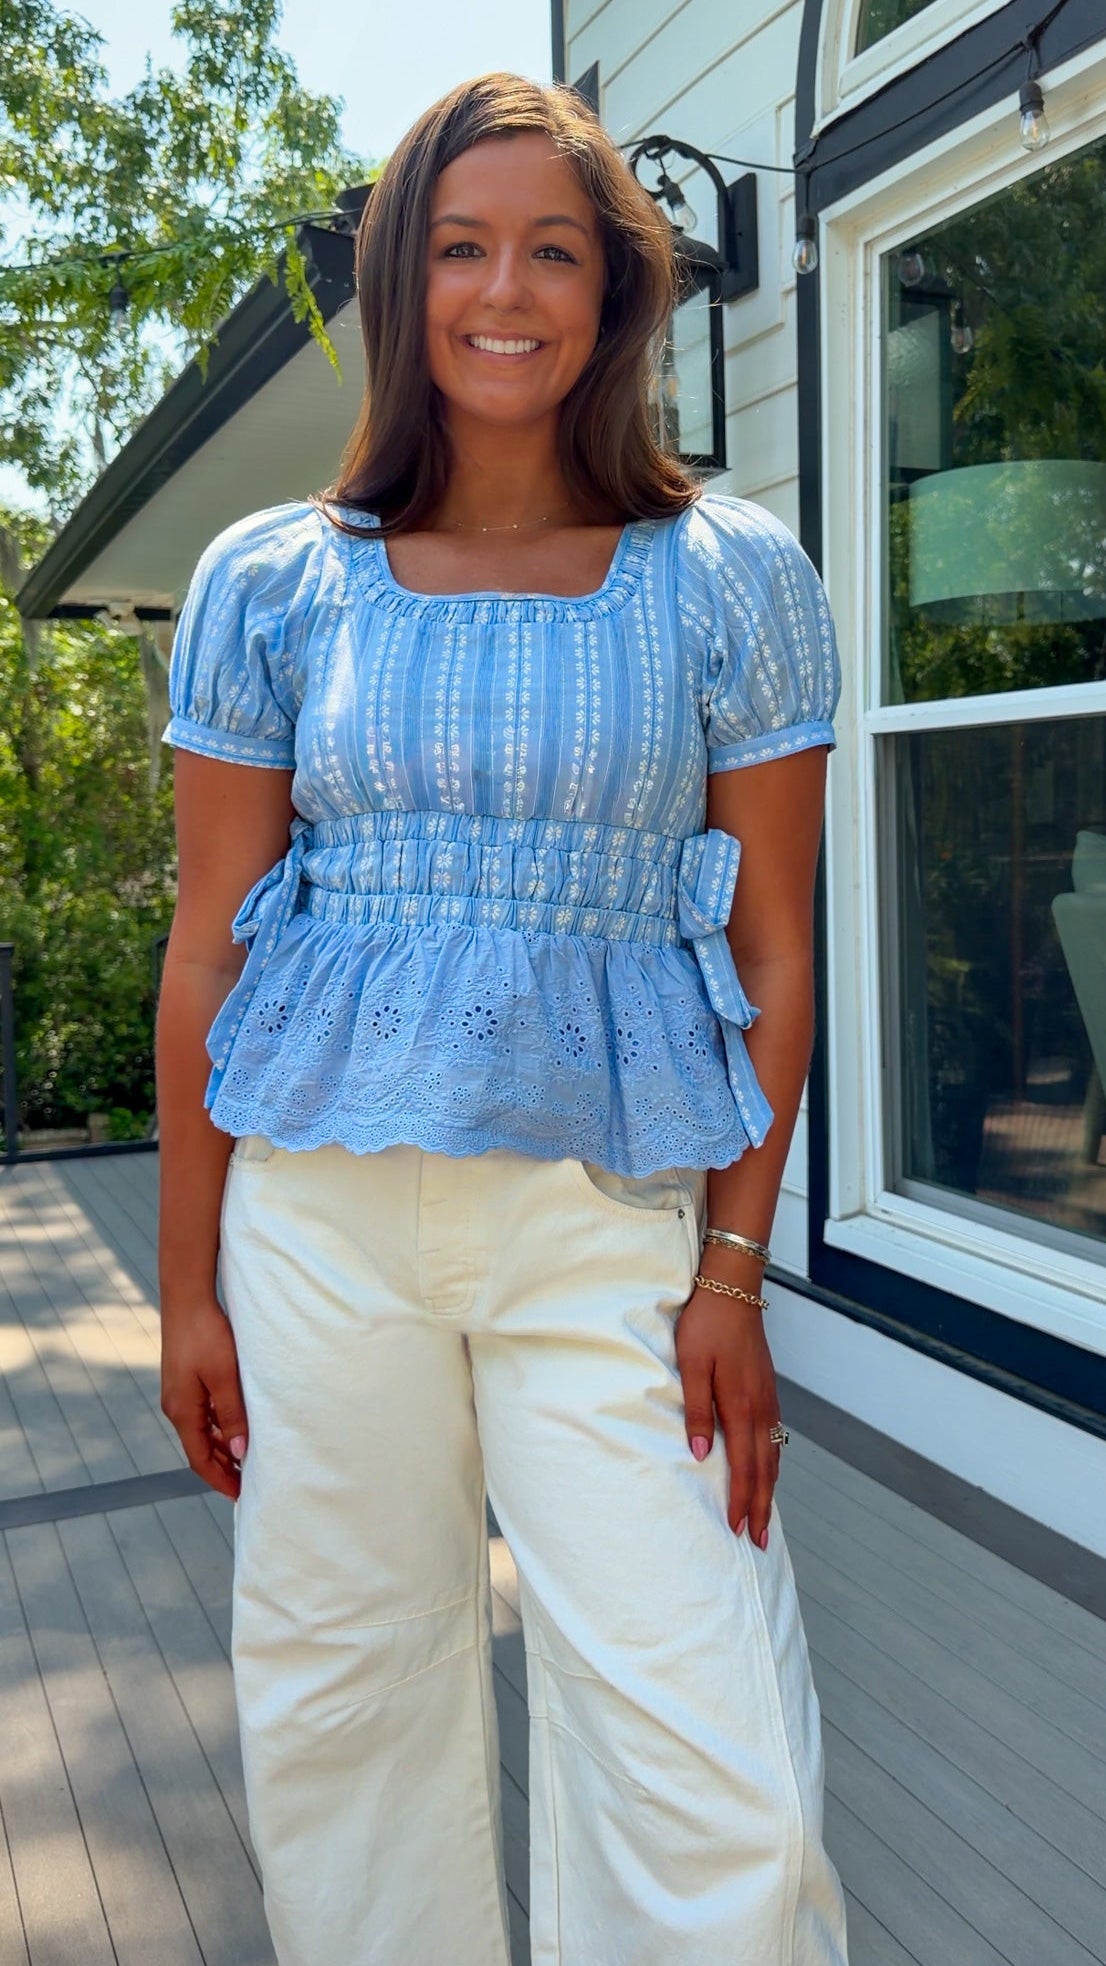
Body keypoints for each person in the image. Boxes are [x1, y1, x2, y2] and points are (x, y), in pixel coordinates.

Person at [157, 70, 849, 1966]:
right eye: (458, 247)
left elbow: (778, 950)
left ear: (616, 292)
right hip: (317, 1215)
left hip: (610, 1221)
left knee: (716, 1759)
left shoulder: (731, 579)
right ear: (400, 284)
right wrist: (189, 1283)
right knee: (340, 1718)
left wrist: (730, 1272)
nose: (505, 290)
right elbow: (211, 945)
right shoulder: (270, 582)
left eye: (555, 249)